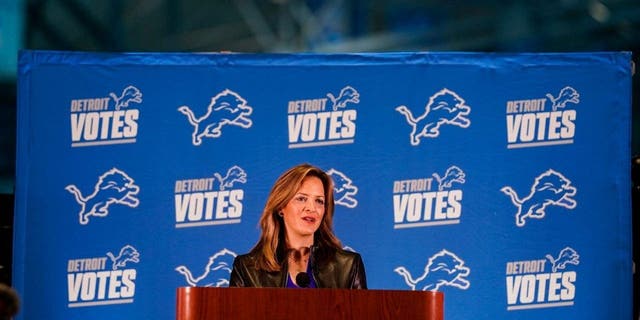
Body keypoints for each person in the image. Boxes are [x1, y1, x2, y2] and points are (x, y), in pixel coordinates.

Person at [229, 163, 367, 288]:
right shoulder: (247, 269)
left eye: (319, 201)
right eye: (301, 199)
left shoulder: (348, 265)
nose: (311, 208)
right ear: (281, 207)